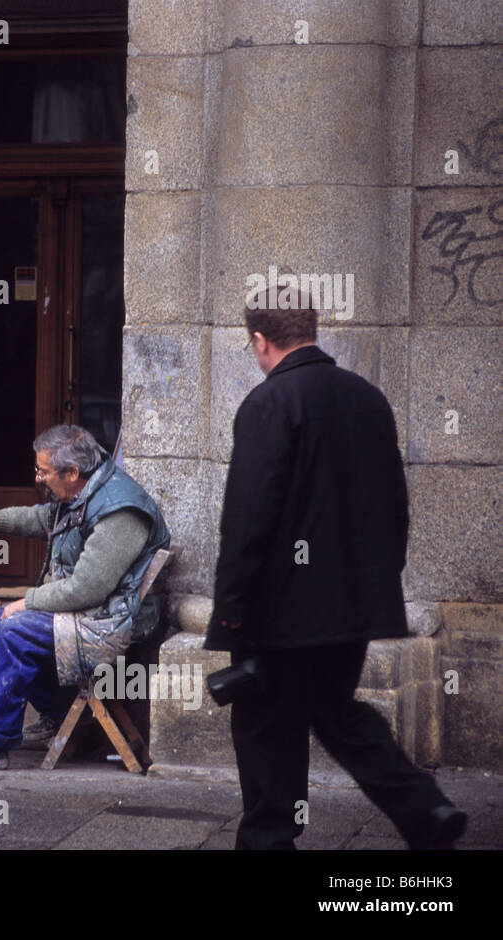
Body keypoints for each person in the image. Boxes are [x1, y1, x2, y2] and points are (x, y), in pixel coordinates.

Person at [207, 292, 466, 849]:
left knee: (267, 730)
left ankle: (268, 841)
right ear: (311, 331)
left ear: (260, 340)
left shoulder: (269, 403)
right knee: (338, 716)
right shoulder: (368, 399)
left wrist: (229, 612)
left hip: (278, 612)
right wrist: (377, 583)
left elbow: (247, 521)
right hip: (349, 606)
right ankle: (425, 809)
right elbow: (395, 508)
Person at [0, 424, 170, 772]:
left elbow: (87, 588)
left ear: (72, 473)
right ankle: (60, 713)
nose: (39, 478)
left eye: (43, 472)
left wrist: (29, 601)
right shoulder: (84, 489)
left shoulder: (120, 511)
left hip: (108, 622)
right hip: (93, 611)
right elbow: (47, 519)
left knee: (14, 628)